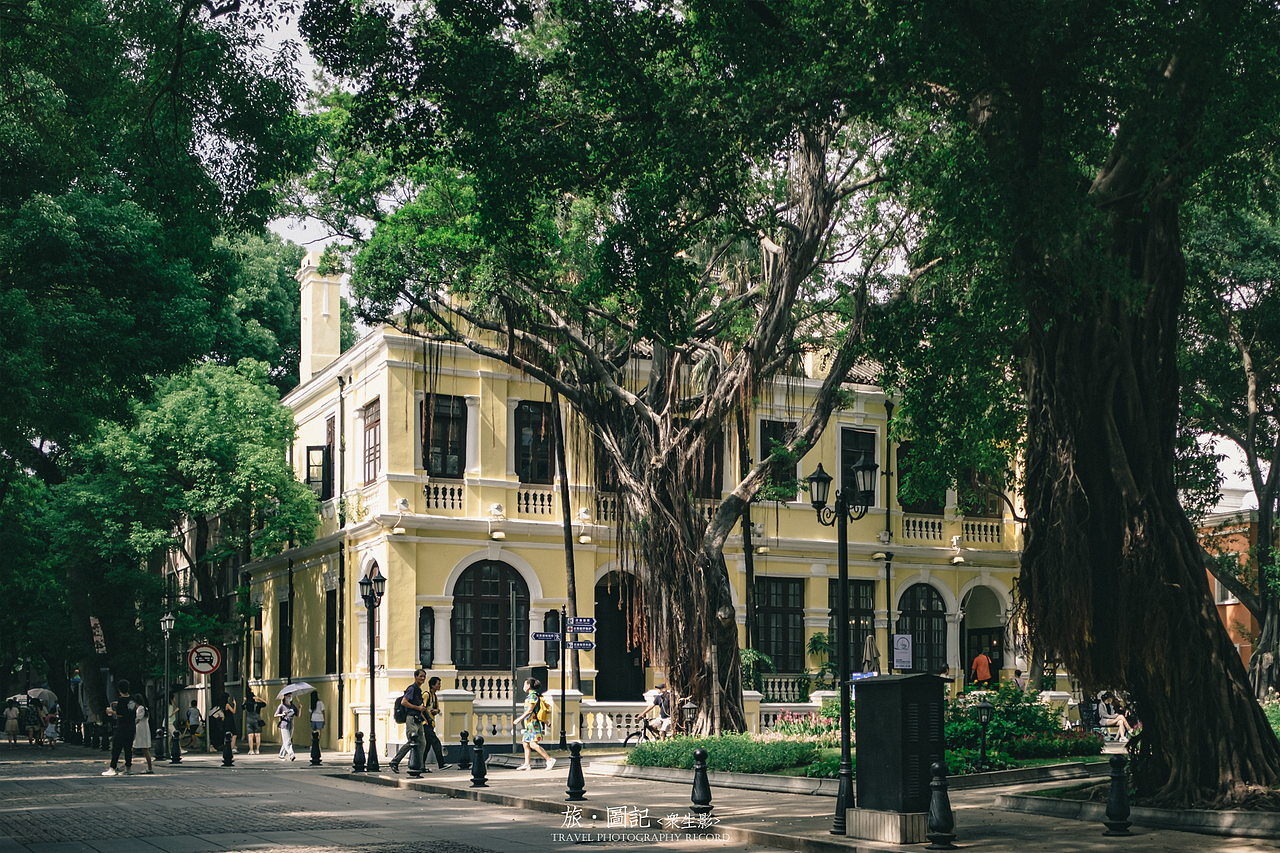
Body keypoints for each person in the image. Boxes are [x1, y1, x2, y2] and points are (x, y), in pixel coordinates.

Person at [389, 670, 428, 776]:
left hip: (418, 718)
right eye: (421, 676)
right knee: (412, 741)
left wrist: (423, 715)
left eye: (424, 676)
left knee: (422, 743)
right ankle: (395, 761)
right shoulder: (412, 688)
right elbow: (404, 702)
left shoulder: (418, 690)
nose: (423, 678)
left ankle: (419, 766)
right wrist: (417, 707)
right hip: (411, 718)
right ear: (415, 677)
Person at [513, 678, 555, 772]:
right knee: (525, 743)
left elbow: (530, 711)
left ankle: (549, 759)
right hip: (529, 724)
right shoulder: (531, 696)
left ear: (528, 686)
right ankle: (527, 764)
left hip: (533, 724)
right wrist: (545, 722)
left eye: (525, 684)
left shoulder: (532, 696)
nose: (523, 686)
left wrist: (519, 719)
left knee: (533, 744)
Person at [102, 680, 137, 776]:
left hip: (122, 727)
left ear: (119, 689)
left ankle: (112, 767)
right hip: (131, 726)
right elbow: (129, 709)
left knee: (116, 747)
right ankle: (128, 768)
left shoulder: (122, 700)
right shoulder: (132, 699)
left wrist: (111, 711)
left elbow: (120, 714)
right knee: (127, 748)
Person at [422, 676, 447, 770]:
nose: (439, 685)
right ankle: (441, 763)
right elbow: (422, 708)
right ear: (432, 685)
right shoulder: (426, 695)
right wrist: (426, 720)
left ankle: (421, 765)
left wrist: (437, 711)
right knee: (436, 743)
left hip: (431, 724)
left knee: (427, 746)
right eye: (438, 684)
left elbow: (436, 708)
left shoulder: (434, 696)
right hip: (426, 724)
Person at [131, 695, 154, 773]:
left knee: (141, 749)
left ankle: (150, 768)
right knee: (137, 749)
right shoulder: (143, 708)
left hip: (140, 732)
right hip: (142, 731)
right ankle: (125, 765)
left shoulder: (141, 708)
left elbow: (137, 720)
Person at [275, 696, 297, 760]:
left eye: (291, 696)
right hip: (284, 725)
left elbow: (297, 714)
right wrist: (282, 714)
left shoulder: (292, 706)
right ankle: (291, 754)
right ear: (285, 697)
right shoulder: (281, 706)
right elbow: (275, 714)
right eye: (288, 696)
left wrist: (299, 708)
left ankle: (281, 755)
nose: (290, 697)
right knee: (287, 742)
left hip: (291, 725)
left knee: (286, 741)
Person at [244, 690, 265, 754]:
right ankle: (257, 749)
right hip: (257, 721)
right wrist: (259, 698)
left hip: (249, 721)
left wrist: (244, 701)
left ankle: (251, 750)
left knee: (250, 736)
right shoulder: (257, 705)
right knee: (257, 736)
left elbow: (242, 707)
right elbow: (265, 703)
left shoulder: (246, 705)